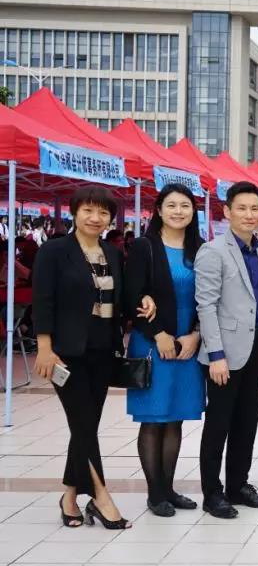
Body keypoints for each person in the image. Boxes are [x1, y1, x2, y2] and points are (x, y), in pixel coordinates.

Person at [32, 186, 155, 530]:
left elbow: (120, 299)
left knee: (84, 426)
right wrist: (44, 346)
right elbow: (43, 300)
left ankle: (69, 498)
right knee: (83, 423)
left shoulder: (112, 253)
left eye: (103, 213)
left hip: (102, 351)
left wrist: (144, 300)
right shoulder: (54, 251)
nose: (95, 218)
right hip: (65, 353)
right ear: (74, 212)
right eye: (88, 210)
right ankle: (101, 498)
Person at [195, 181, 258, 519]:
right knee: (219, 422)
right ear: (227, 212)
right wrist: (216, 355)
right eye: (241, 208)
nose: (249, 214)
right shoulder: (213, 251)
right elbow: (206, 305)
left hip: (256, 344)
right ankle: (212, 493)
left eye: (254, 208)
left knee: (247, 420)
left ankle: (238, 485)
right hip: (224, 352)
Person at [124, 184, 205, 517]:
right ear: (158, 210)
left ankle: (168, 489)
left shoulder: (201, 248)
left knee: (175, 418)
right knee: (153, 419)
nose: (178, 211)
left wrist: (196, 335)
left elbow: (209, 297)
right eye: (171, 205)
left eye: (184, 206)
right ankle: (154, 493)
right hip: (152, 343)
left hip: (187, 345)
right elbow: (131, 296)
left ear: (193, 212)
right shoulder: (144, 247)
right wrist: (158, 334)